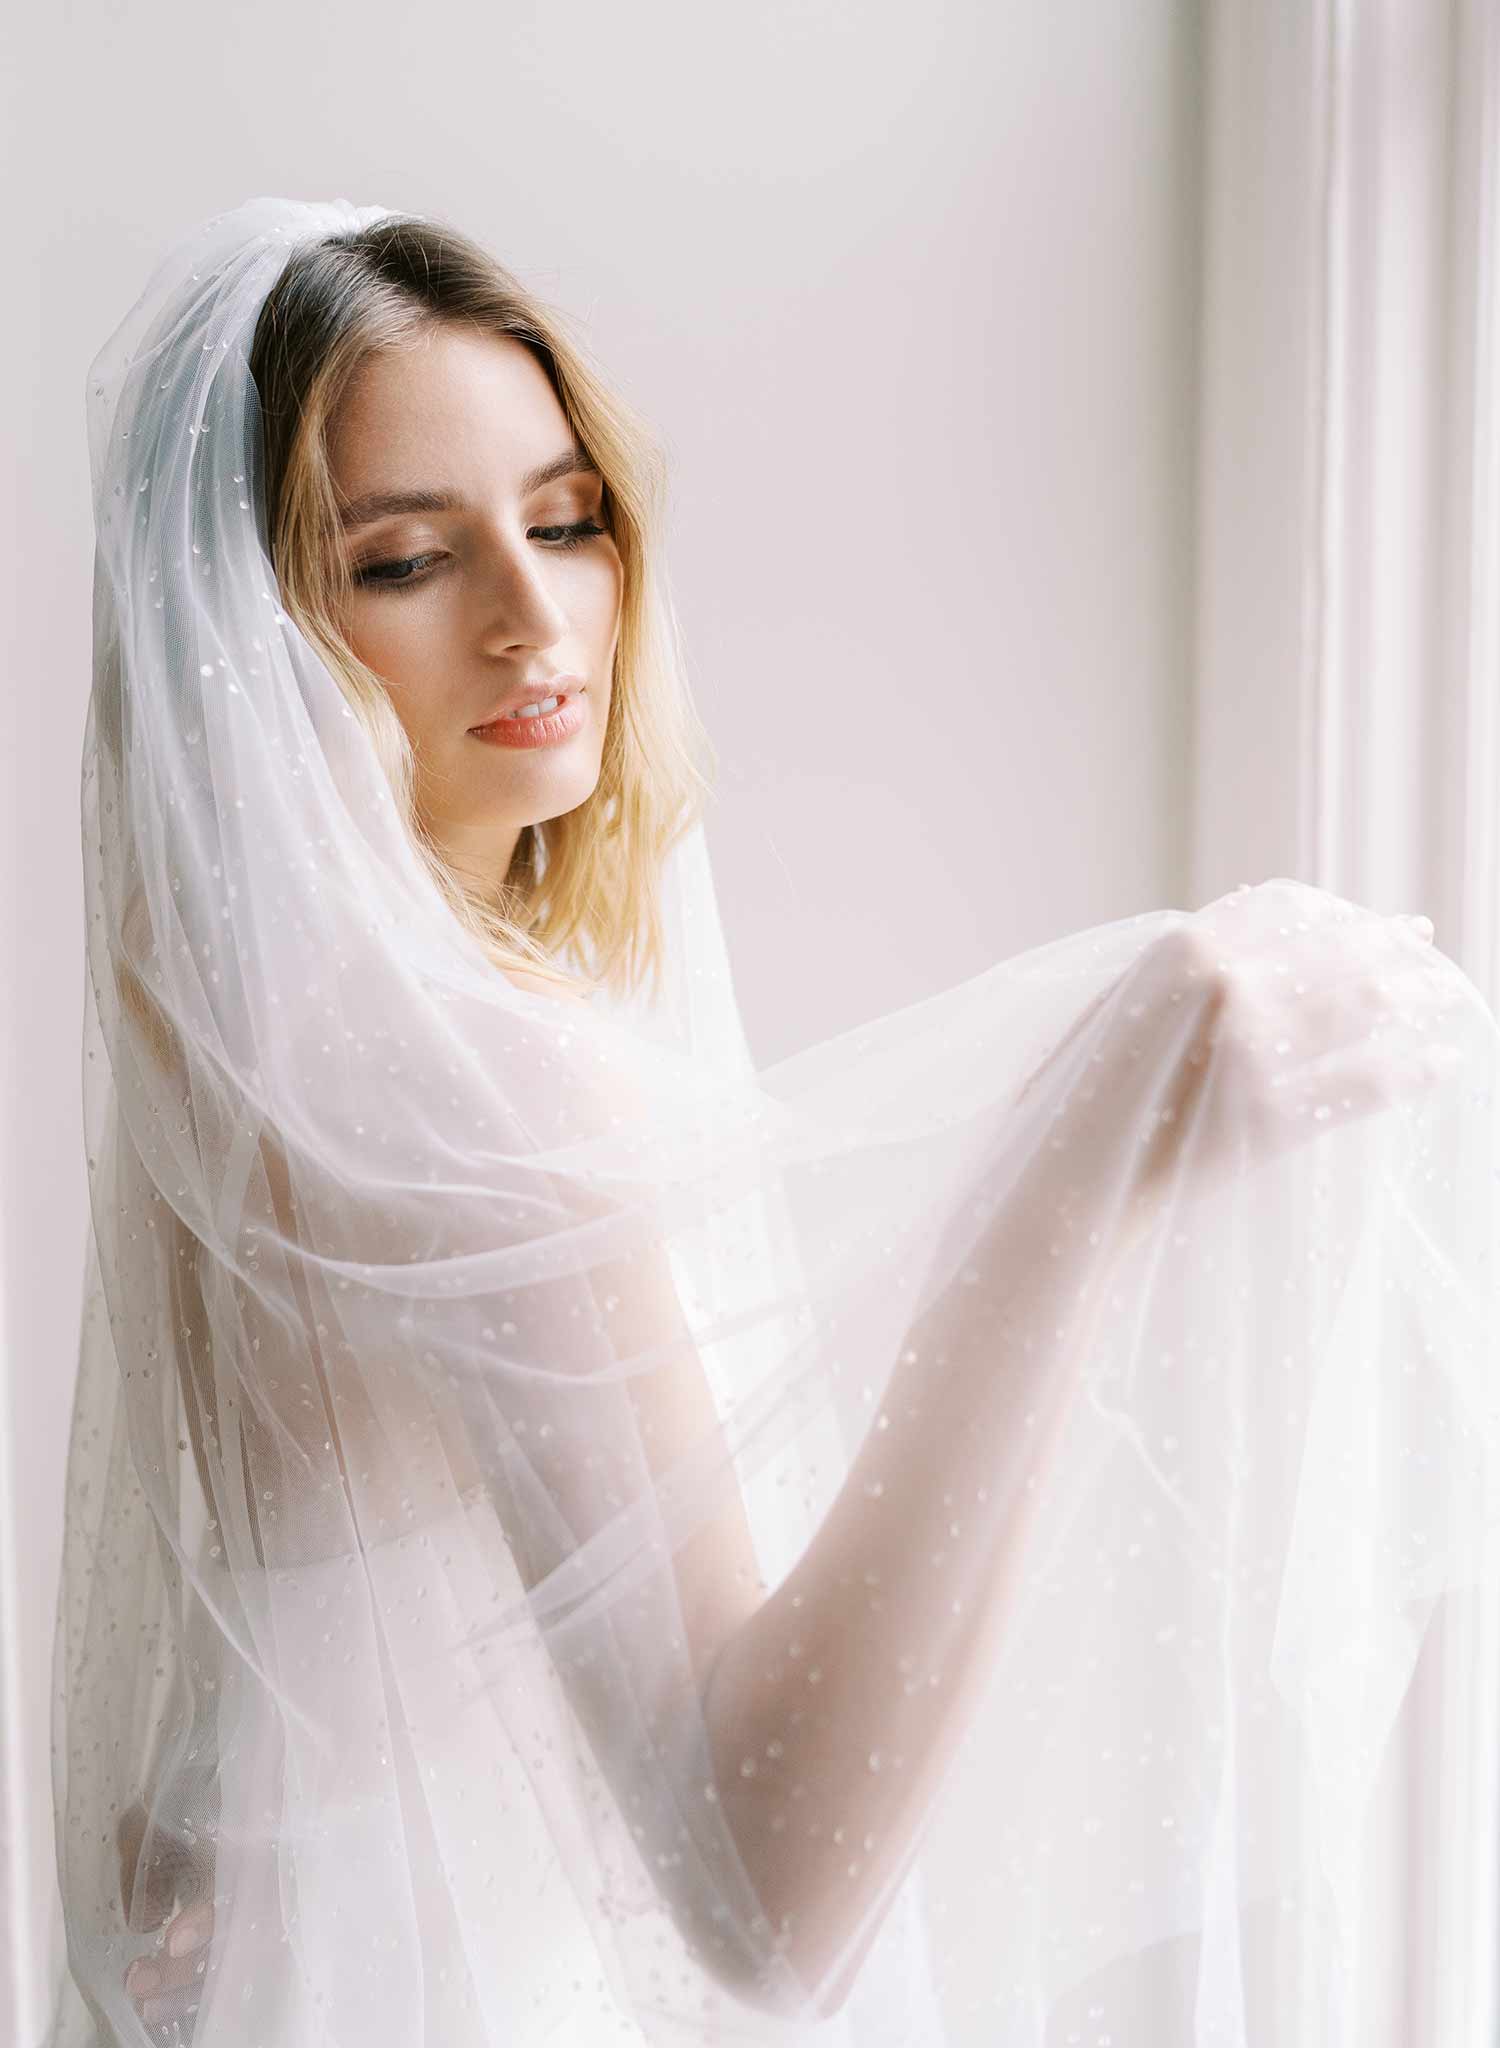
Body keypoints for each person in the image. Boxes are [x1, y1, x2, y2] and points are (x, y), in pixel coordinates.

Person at [42, 196, 1500, 2047]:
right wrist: (1089, 1146)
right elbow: (761, 1898)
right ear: (248, 646)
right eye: (404, 561)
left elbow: (325, 1592)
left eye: (567, 522)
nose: (534, 619)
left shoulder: (237, 1043)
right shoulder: (486, 1084)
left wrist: (231, 1816)